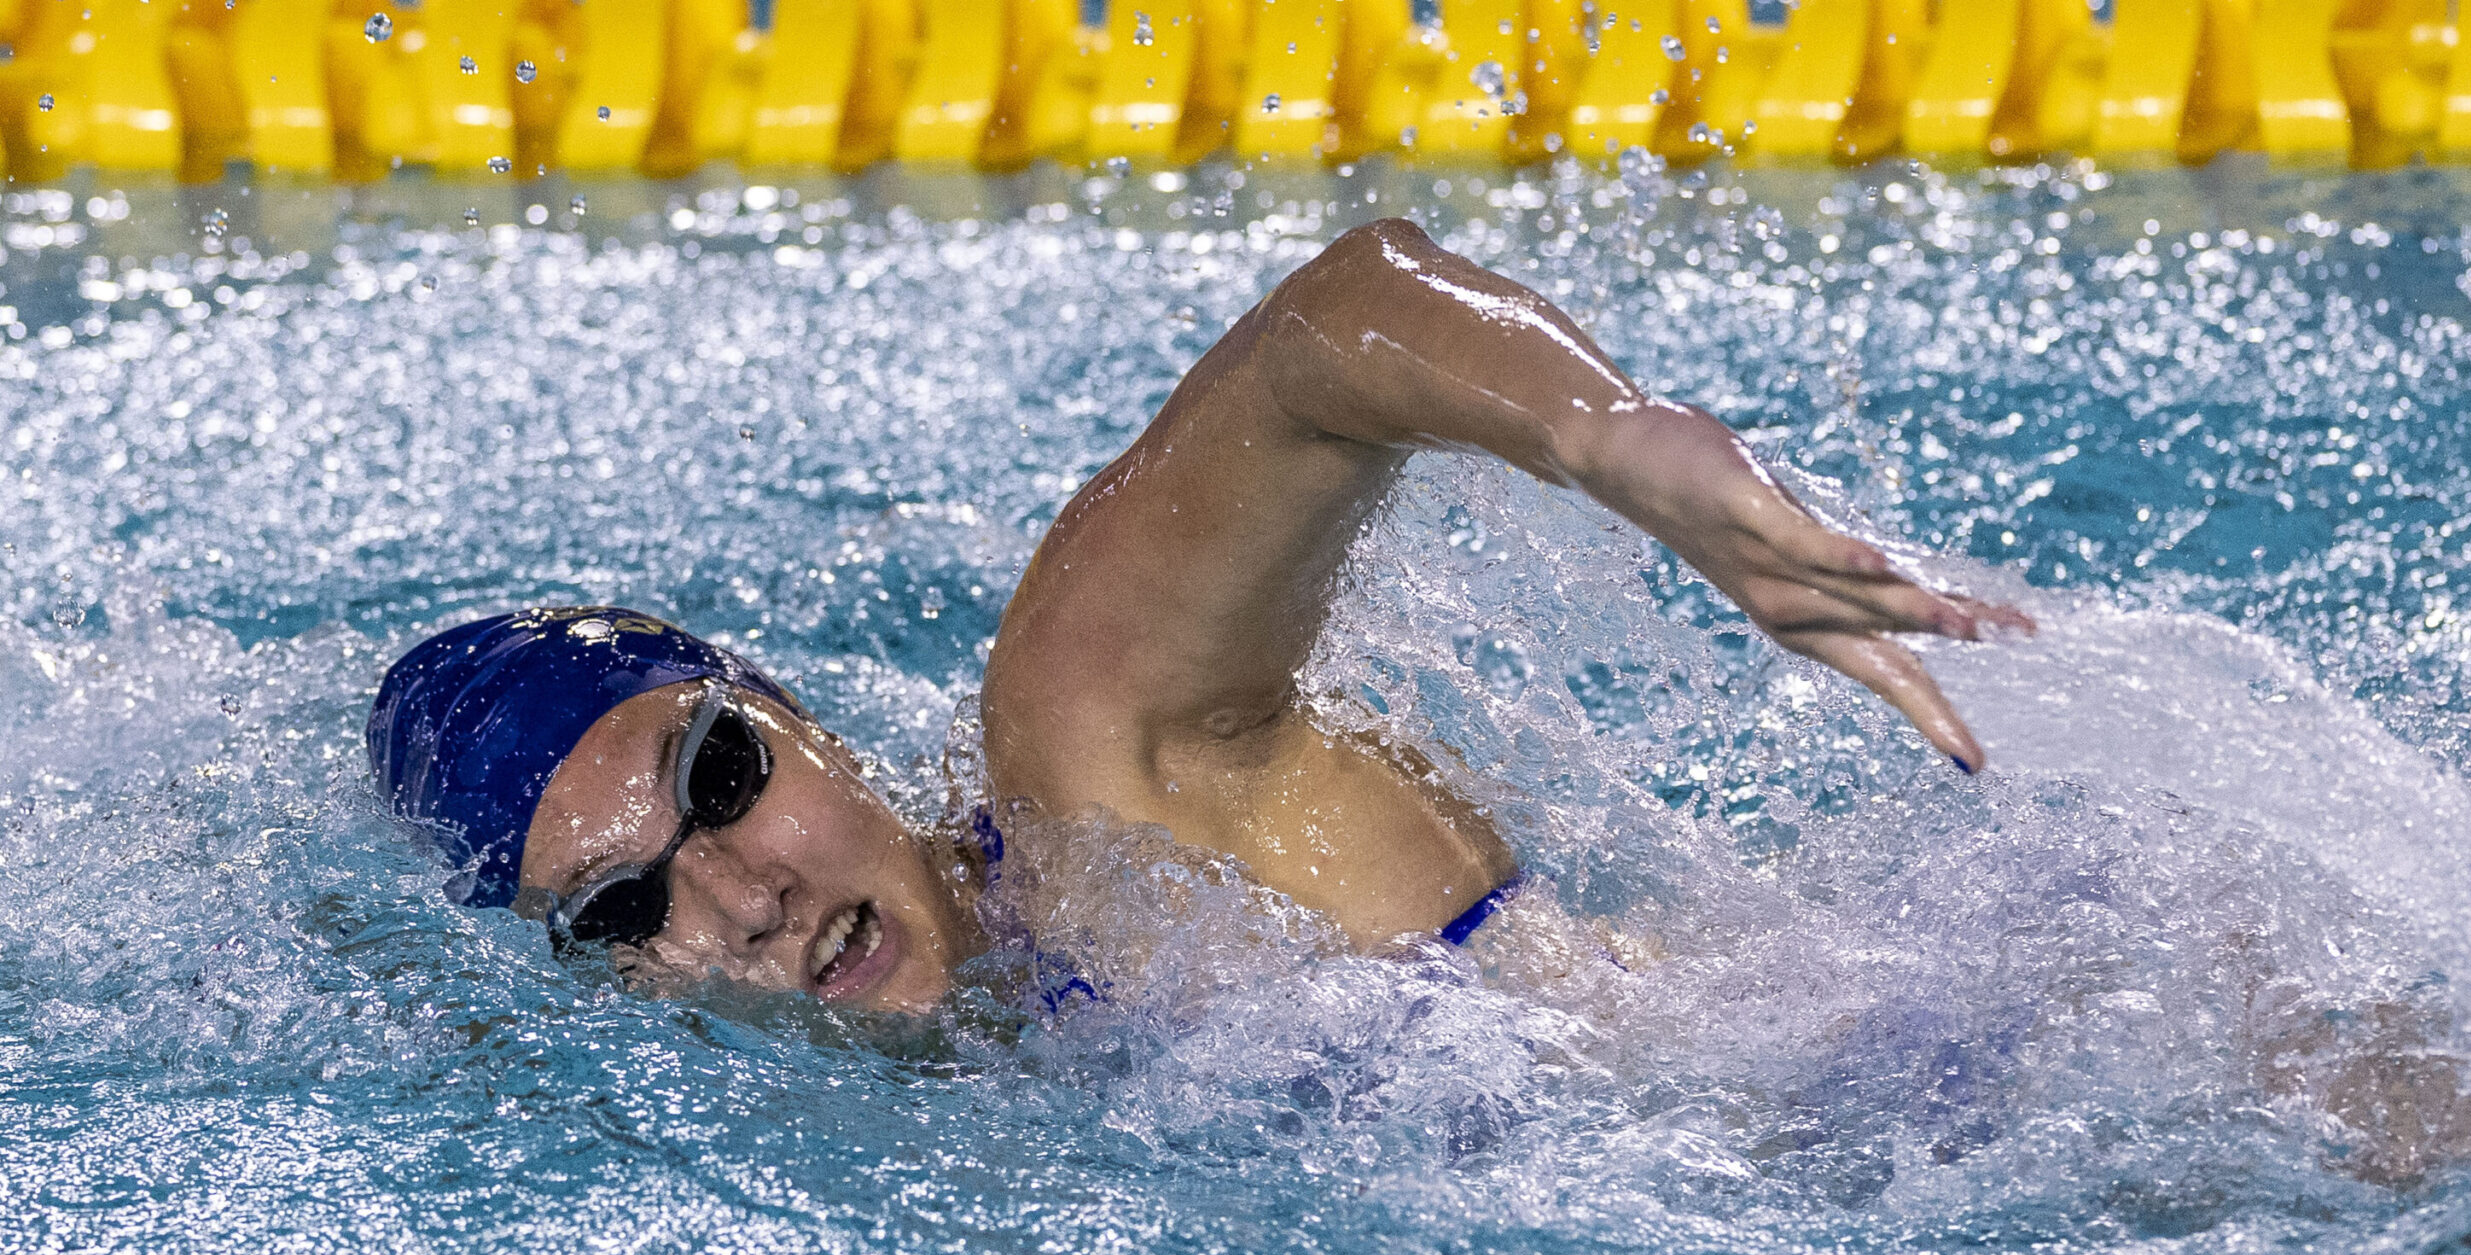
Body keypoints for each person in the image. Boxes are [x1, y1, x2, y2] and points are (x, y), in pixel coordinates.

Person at [369, 218, 2030, 1014]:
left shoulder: (1093, 786)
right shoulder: (965, 1105)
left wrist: (1613, 441)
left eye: (723, 776)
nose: (742, 895)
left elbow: (1329, 331)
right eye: (622, 906)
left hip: (1978, 1047)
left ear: (801, 724)